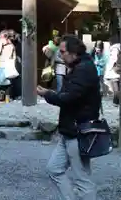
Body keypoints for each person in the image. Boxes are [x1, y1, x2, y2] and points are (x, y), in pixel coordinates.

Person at [36, 35, 101, 200]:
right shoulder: (78, 67)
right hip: (69, 130)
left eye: (63, 52)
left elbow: (69, 97)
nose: (61, 55)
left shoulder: (84, 69)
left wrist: (47, 94)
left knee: (82, 179)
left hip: (79, 131)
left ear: (74, 53)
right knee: (54, 169)